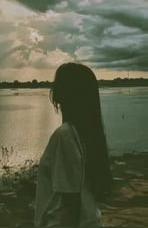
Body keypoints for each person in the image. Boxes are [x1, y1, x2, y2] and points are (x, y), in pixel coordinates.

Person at [34, 63, 113, 227]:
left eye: (58, 84)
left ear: (66, 93)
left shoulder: (65, 135)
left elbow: (70, 203)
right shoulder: (89, 133)